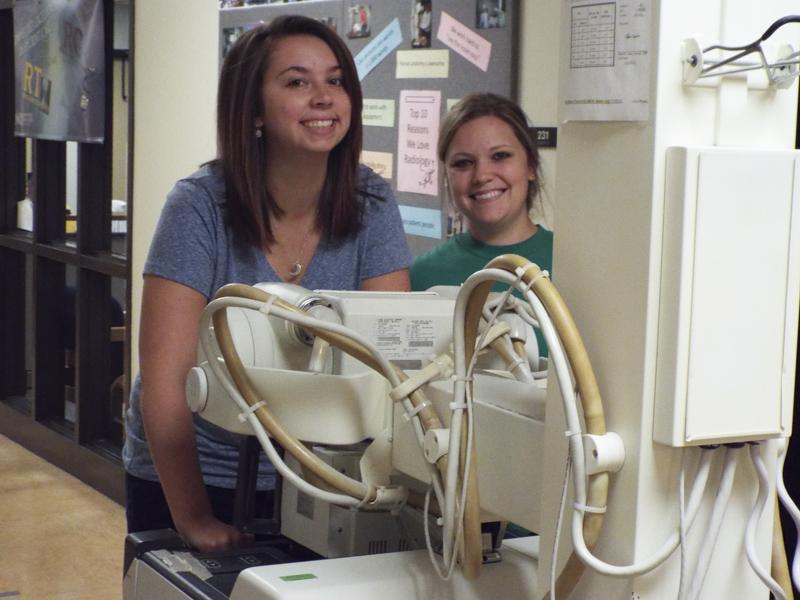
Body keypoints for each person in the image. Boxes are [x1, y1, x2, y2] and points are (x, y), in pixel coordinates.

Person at [123, 15, 412, 553]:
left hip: (319, 474)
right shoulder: (199, 206)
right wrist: (192, 519)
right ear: (254, 109)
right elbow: (165, 382)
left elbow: (383, 361)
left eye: (336, 80)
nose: (324, 97)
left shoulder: (372, 204)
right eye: (297, 82)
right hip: (196, 471)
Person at [410, 93, 553, 340]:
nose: (481, 176)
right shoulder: (422, 277)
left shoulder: (572, 266)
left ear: (530, 166)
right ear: (447, 178)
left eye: (500, 156)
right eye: (463, 163)